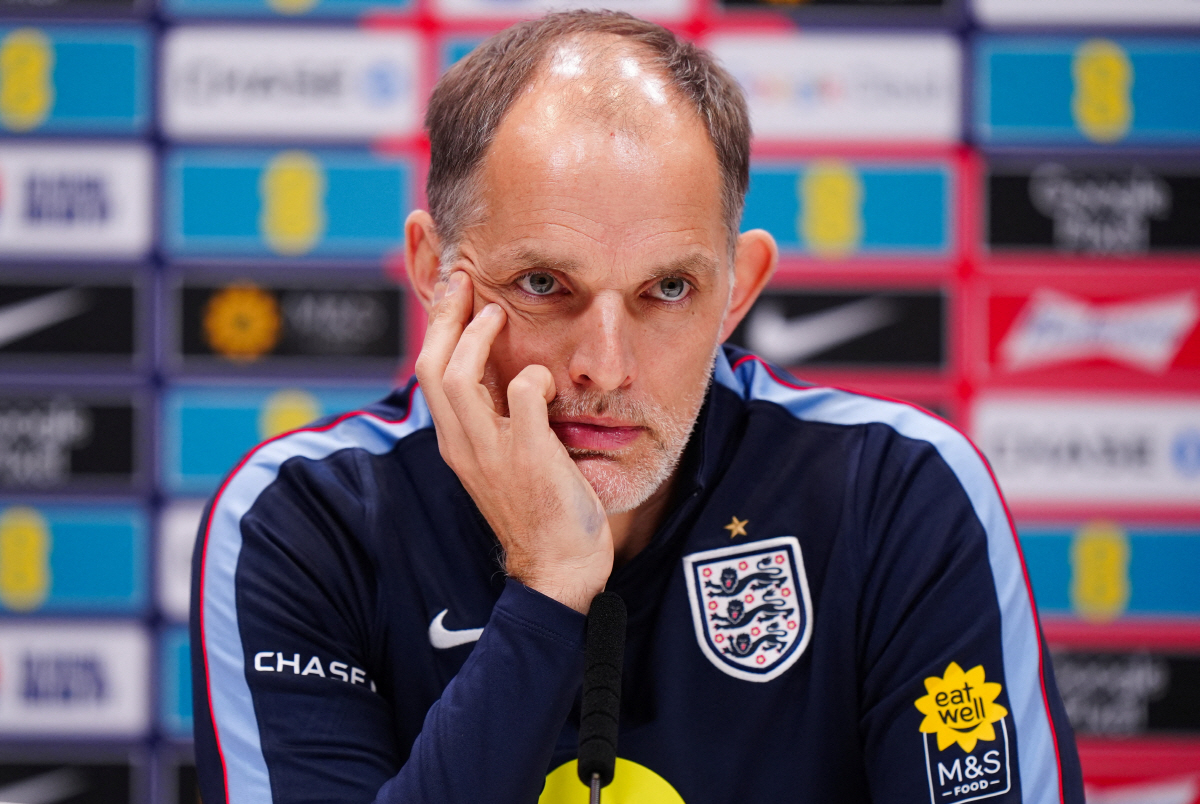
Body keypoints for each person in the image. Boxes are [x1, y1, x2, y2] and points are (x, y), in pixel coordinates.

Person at [191, 11, 1084, 804]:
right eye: (544, 284)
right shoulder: (299, 522)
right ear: (434, 271)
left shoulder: (898, 493)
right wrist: (548, 584)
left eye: (669, 289)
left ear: (737, 291)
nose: (605, 367)